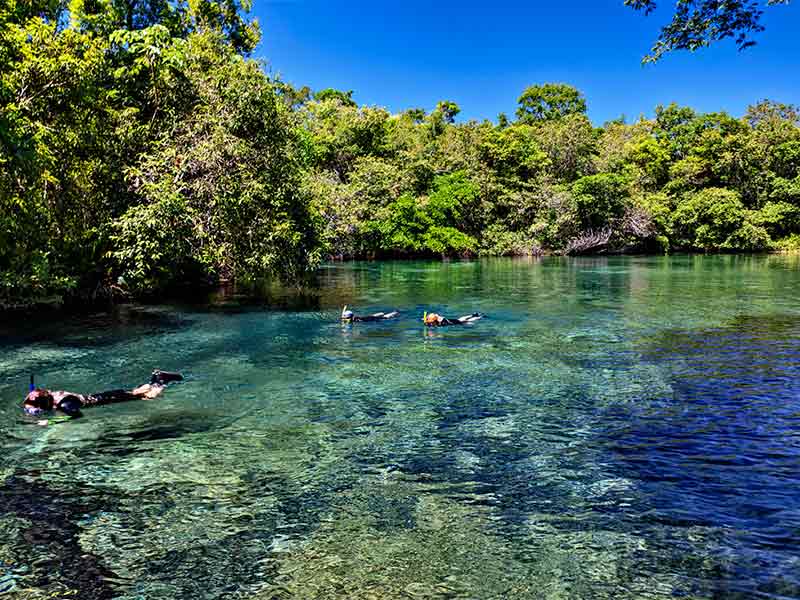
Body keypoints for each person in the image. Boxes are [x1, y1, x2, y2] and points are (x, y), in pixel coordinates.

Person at [22, 370, 184, 419]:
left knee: (148, 397)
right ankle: (156, 377)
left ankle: (163, 379)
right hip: (104, 395)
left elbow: (77, 416)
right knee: (135, 392)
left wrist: (50, 423)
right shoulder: (48, 394)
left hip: (109, 399)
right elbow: (33, 397)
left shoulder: (64, 404)